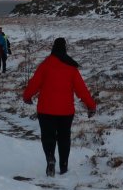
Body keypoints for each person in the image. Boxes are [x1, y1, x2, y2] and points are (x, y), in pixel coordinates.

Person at [22, 38, 96, 177]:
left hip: (46, 110)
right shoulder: (71, 67)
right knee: (64, 139)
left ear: (53, 48)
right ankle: (63, 167)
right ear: (65, 49)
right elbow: (82, 90)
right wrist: (91, 106)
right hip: (66, 111)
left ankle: (50, 158)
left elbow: (34, 83)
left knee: (48, 137)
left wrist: (27, 97)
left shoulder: (45, 65)